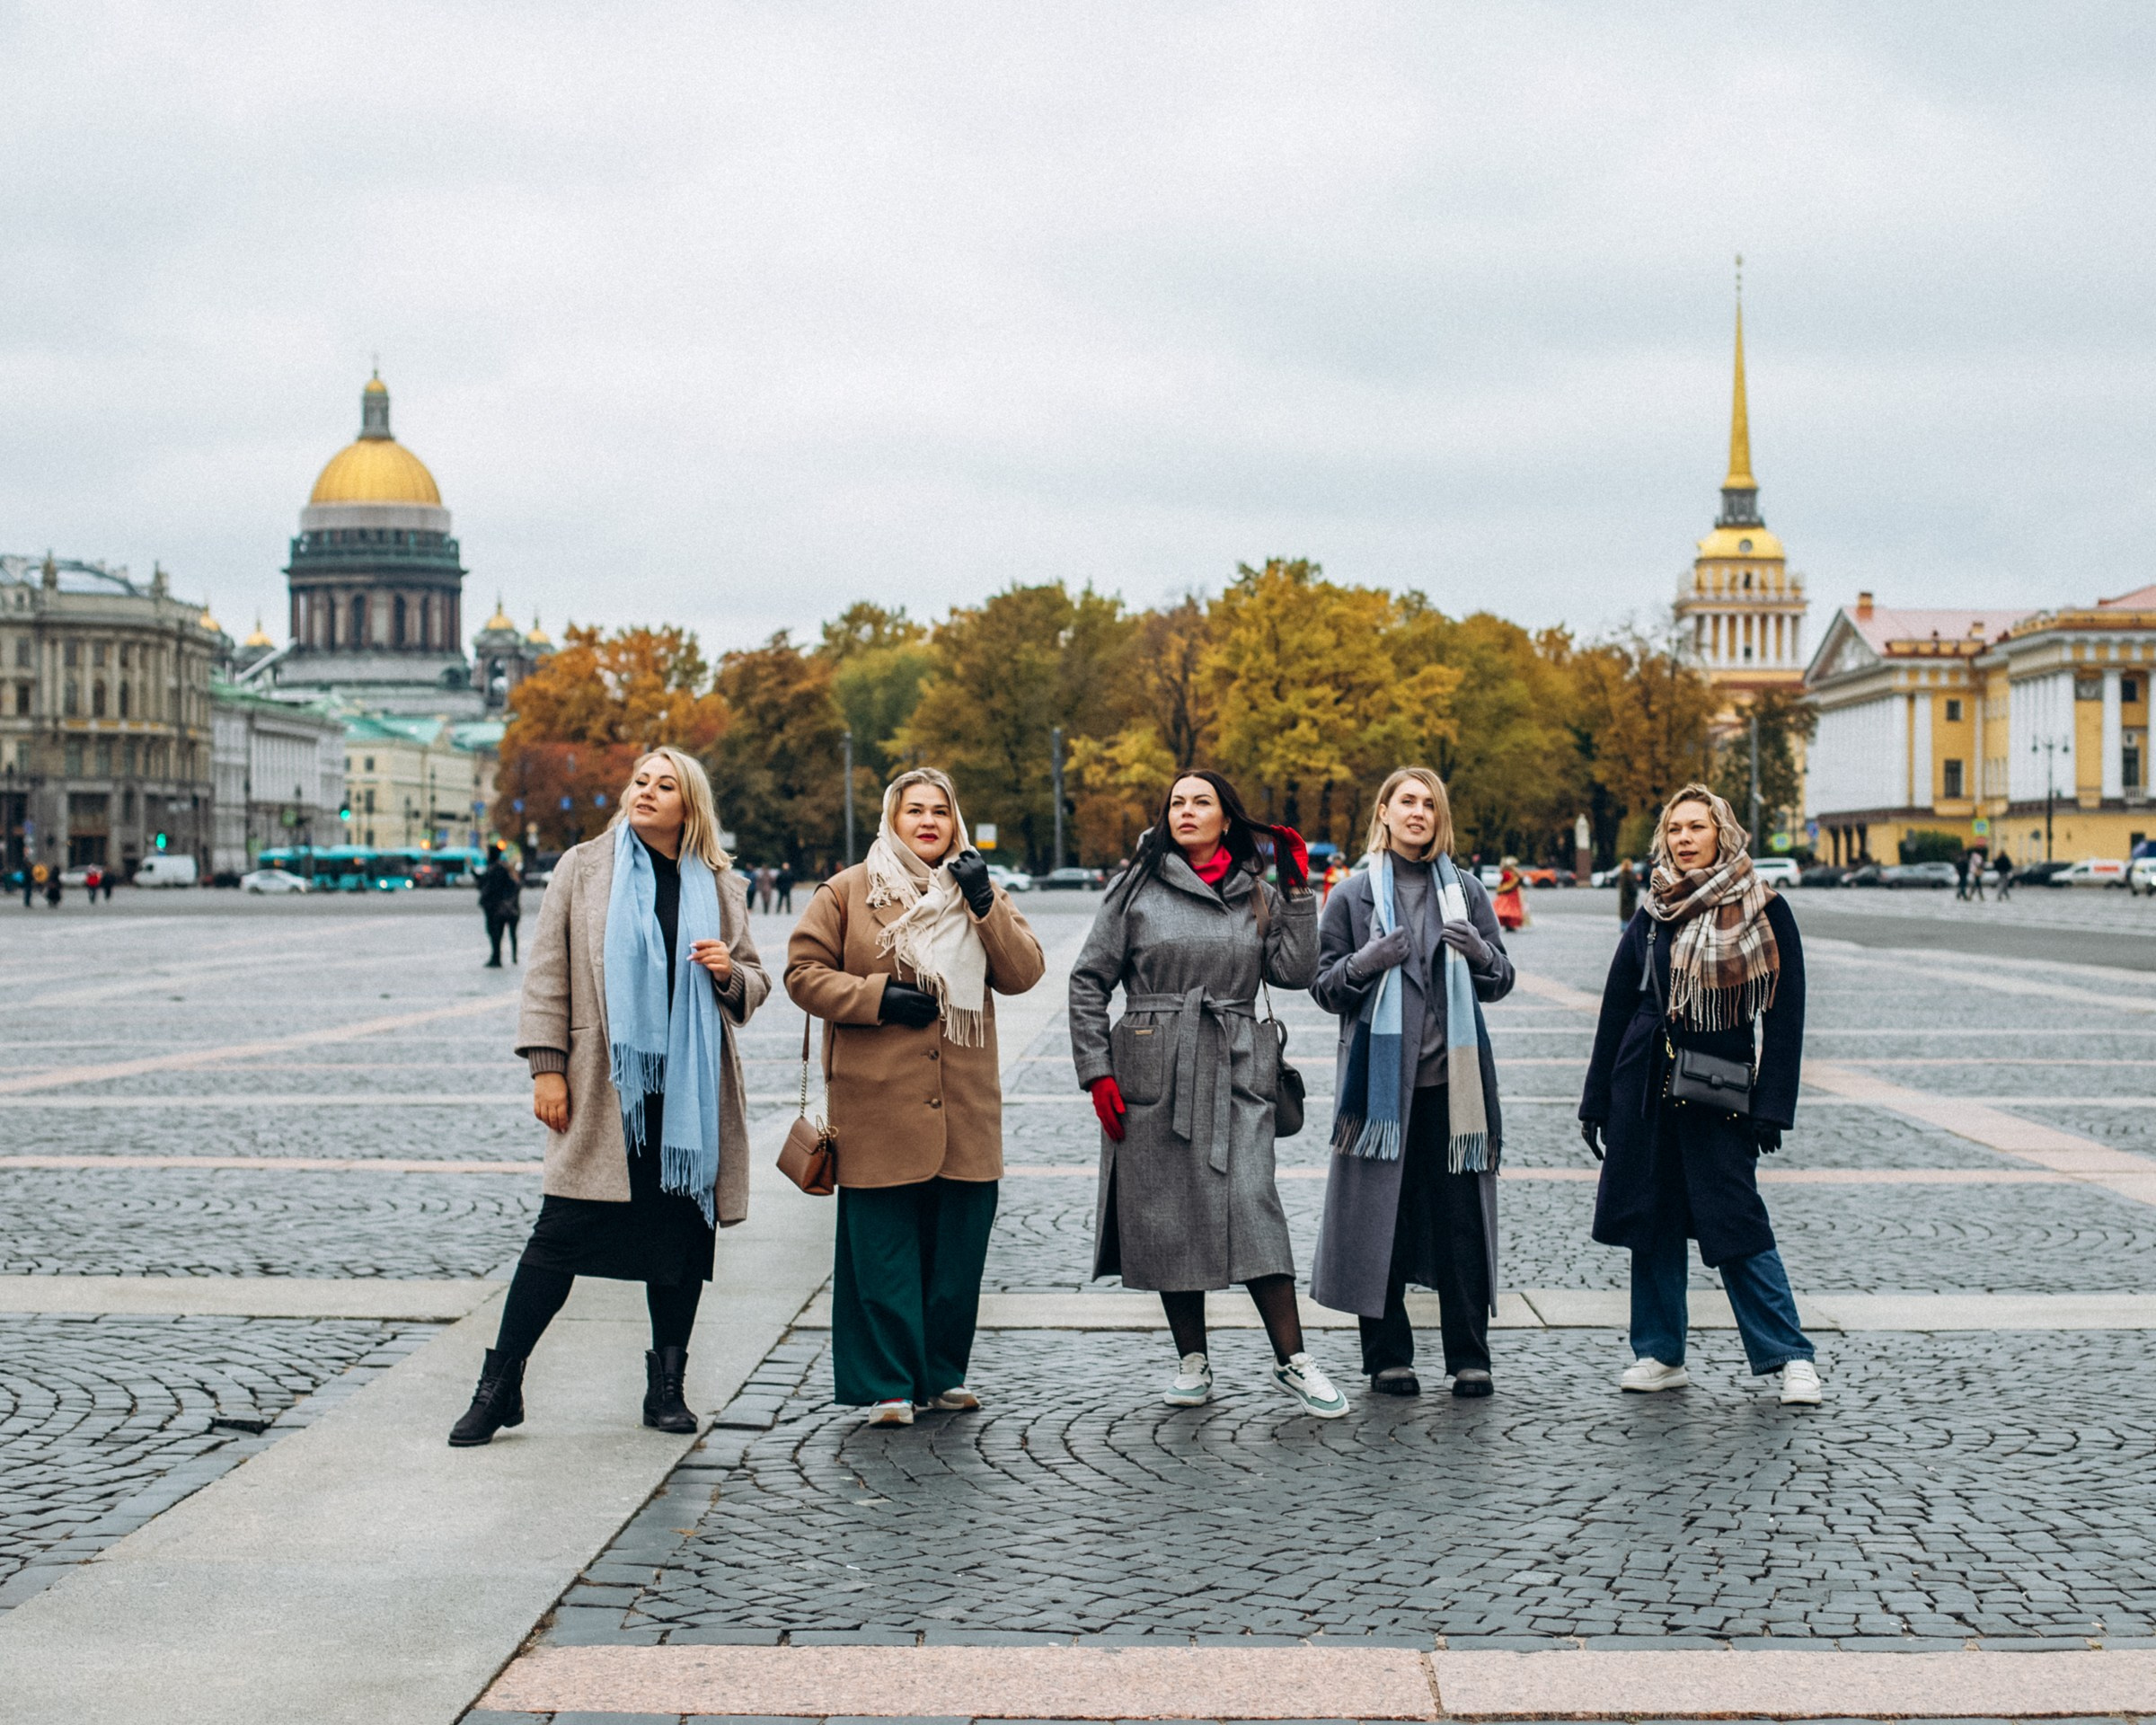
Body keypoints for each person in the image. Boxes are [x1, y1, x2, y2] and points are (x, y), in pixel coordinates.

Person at [449, 747, 770, 1446]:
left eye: (664, 785)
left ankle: (666, 1389)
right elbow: (546, 973)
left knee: (680, 1242)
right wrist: (546, 1067)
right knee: (557, 1238)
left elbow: (752, 984)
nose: (645, 793)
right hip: (605, 1089)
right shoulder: (583, 867)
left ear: (689, 805)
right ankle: (499, 1387)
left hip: (686, 1096)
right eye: (639, 781)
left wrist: (727, 973)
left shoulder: (720, 883)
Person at [1068, 772, 1341, 1417]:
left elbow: (1296, 973)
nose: (1187, 812)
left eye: (1202, 802)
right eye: (1177, 803)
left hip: (1239, 1064)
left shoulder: (1259, 892)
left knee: (1254, 1204)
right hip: (1152, 1065)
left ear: (1227, 819)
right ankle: (1192, 1359)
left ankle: (1293, 1360)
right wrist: (1098, 1072)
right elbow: (1087, 981)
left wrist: (1299, 891)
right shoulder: (1133, 886)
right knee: (1168, 1216)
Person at [786, 768, 1045, 1428]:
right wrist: (874, 997)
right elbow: (803, 975)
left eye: (939, 811)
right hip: (877, 1103)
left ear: (955, 822)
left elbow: (1022, 974)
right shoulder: (849, 890)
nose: (928, 822)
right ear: (891, 820)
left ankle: (941, 1375)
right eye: (914, 812)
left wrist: (984, 902)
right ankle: (888, 1384)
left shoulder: (978, 892)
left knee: (958, 1254)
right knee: (884, 1254)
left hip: (964, 1103)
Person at [1577, 782, 1821, 1407]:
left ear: (1723, 832)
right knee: (1651, 1221)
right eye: (1675, 830)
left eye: (1697, 827)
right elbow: (1617, 1007)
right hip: (1645, 1088)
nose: (1684, 839)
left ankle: (1789, 1355)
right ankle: (1659, 1353)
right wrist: (1596, 1099)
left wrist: (1771, 1105)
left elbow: (1784, 1018)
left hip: (1717, 1087)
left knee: (1735, 1220)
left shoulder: (1765, 908)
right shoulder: (1653, 910)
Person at [1310, 768, 1515, 1398]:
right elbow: (1323, 986)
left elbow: (1501, 978)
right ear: (1385, 813)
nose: (1419, 813)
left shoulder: (1468, 892)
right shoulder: (1351, 896)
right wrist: (1368, 961)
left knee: (1461, 1225)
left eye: (1430, 804)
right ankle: (1387, 1356)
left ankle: (1469, 1356)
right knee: (1383, 1224)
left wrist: (1480, 954)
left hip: (1453, 1088)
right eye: (1408, 802)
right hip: (1379, 1091)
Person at [479, 843, 524, 968]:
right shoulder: (495, 868)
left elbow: (510, 886)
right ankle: (496, 957)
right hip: (493, 905)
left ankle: (497, 957)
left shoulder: (497, 868)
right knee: (494, 932)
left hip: (496, 906)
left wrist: (505, 900)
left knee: (495, 932)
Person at [1491, 858, 1526, 932]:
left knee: (1508, 909)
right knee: (1509, 909)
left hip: (1511, 893)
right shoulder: (1508, 873)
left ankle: (1509, 924)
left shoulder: (1510, 873)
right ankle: (1509, 924)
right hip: (1509, 893)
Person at [1615, 859, 1639, 924]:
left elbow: (1634, 884)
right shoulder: (1624, 875)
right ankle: (1625, 928)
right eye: (1630, 865)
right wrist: (1626, 897)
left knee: (1630, 914)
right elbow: (1624, 888)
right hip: (1627, 898)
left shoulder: (1631, 874)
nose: (1632, 867)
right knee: (1626, 915)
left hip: (1631, 898)